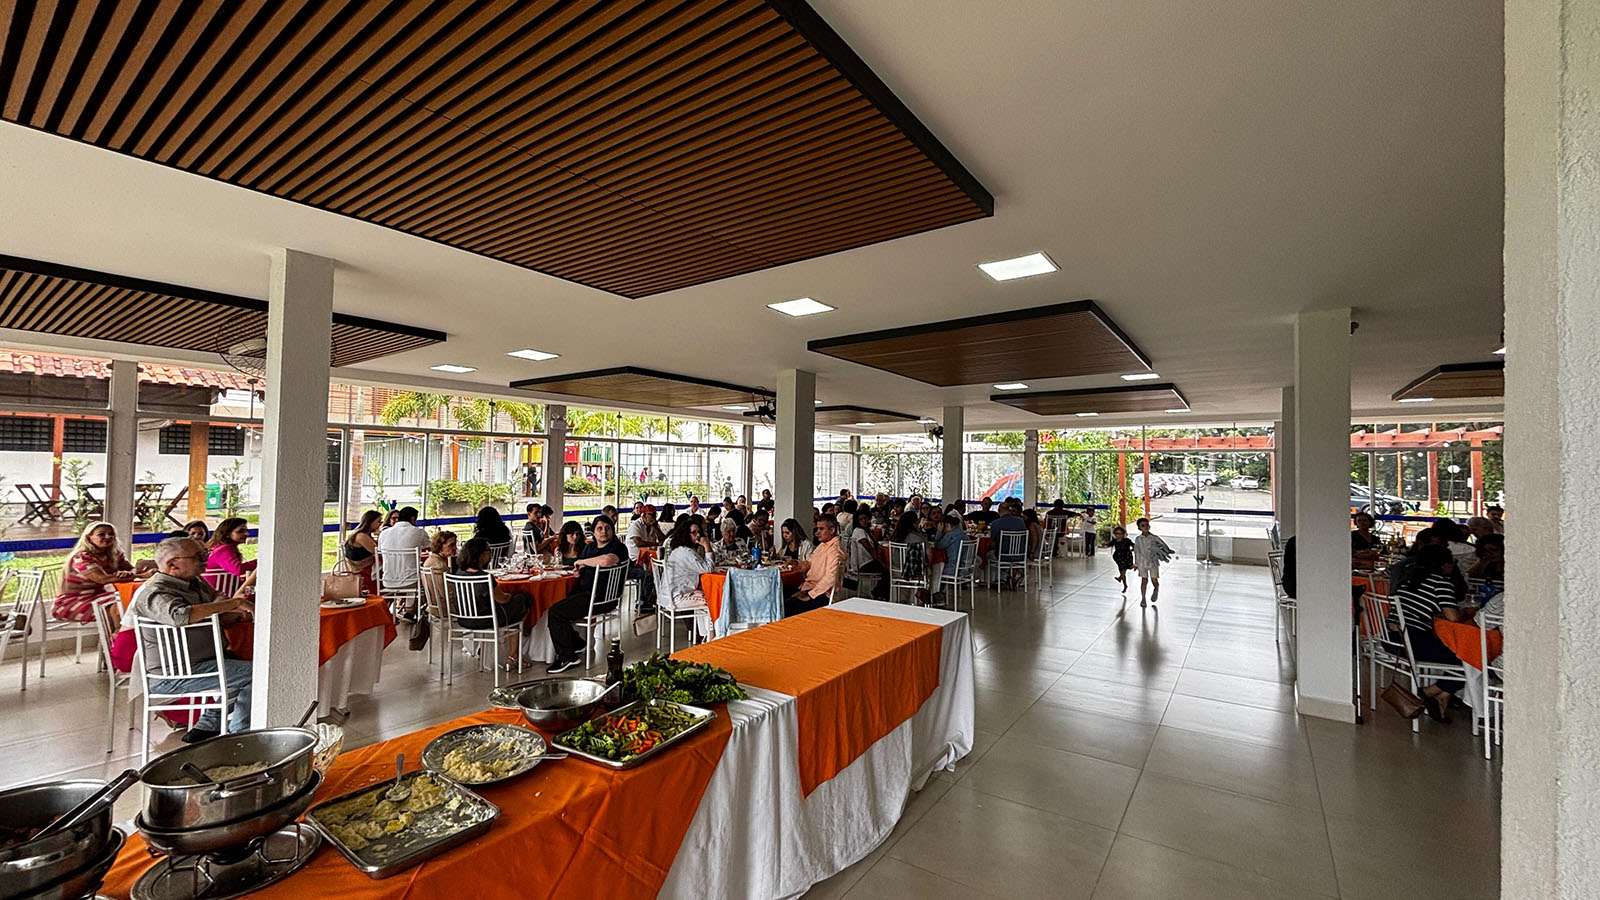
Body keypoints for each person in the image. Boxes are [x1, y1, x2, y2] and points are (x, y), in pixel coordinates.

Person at [125, 537, 255, 742]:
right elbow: (180, 616)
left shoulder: (193, 583)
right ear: (172, 564)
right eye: (198, 556)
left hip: (206, 662)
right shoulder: (156, 592)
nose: (205, 560)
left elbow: (214, 612)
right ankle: (239, 738)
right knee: (256, 674)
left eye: (205, 554)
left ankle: (209, 725)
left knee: (247, 665)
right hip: (173, 674)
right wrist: (229, 604)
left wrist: (232, 610)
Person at [1392, 543, 1474, 721]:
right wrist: (1469, 612)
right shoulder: (1440, 582)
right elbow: (1453, 618)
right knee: (1470, 657)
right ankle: (1431, 691)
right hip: (1413, 641)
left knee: (1463, 655)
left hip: (1392, 639)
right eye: (1452, 561)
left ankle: (1443, 695)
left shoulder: (1408, 579)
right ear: (1444, 564)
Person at [546, 517, 628, 673]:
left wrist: (582, 562)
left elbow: (606, 561)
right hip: (586, 593)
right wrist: (578, 571)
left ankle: (567, 656)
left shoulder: (618, 547)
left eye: (607, 528)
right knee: (556, 601)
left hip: (602, 598)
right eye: (600, 528)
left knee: (556, 612)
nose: (604, 532)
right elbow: (583, 567)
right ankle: (577, 643)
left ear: (612, 531)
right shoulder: (590, 548)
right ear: (594, 532)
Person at [453, 537, 529, 664]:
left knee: (515, 607)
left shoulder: (459, 573)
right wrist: (510, 595)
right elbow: (503, 599)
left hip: (464, 619)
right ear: (480, 555)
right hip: (486, 620)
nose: (491, 554)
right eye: (489, 551)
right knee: (523, 600)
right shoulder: (485, 577)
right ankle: (513, 656)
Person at [53, 521, 149, 622]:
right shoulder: (82, 557)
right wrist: (141, 576)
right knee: (120, 604)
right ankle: (118, 631)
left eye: (111, 534)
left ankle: (126, 630)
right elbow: (103, 579)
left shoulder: (114, 553)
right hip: (71, 603)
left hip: (98, 596)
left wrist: (129, 573)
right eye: (101, 534)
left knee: (130, 599)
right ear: (89, 537)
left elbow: (131, 569)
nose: (108, 537)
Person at [662, 517, 712, 637]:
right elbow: (708, 568)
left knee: (703, 595)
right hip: (677, 597)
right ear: (686, 534)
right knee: (712, 600)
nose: (698, 535)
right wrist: (707, 546)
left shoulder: (680, 550)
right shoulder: (686, 553)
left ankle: (704, 634)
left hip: (668, 594)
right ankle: (711, 636)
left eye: (699, 532)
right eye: (694, 532)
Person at [785, 517, 844, 616]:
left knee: (786, 605)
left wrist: (810, 594)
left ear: (832, 530)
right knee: (781, 594)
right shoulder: (822, 545)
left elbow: (831, 578)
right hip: (810, 588)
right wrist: (796, 563)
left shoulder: (835, 550)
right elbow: (809, 563)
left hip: (823, 595)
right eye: (817, 529)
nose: (817, 533)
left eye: (821, 529)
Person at [378, 506, 431, 613]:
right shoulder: (418, 532)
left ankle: (407, 607)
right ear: (413, 519)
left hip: (387, 580)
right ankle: (410, 607)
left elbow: (379, 550)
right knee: (428, 580)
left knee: (411, 577)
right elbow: (430, 546)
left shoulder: (384, 533)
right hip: (411, 581)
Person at [412, 530, 457, 651]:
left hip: (434, 609)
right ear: (440, 546)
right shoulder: (439, 566)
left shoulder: (430, 560)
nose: (455, 548)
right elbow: (447, 594)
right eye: (451, 545)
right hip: (445, 611)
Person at [625, 505, 663, 612]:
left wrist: (656, 528)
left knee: (660, 571)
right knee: (647, 573)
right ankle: (642, 601)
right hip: (634, 559)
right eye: (651, 515)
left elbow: (663, 540)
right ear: (644, 515)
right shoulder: (635, 525)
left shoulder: (654, 525)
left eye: (655, 515)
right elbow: (638, 543)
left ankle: (654, 599)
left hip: (649, 558)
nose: (653, 517)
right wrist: (656, 544)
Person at [847, 507, 888, 599]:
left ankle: (878, 592)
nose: (864, 521)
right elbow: (869, 548)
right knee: (887, 571)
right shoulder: (859, 532)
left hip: (866, 562)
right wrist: (879, 561)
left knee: (886, 571)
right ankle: (878, 592)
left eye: (865, 518)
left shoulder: (865, 531)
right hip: (864, 564)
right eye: (861, 519)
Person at [888, 510, 929, 602]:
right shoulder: (919, 538)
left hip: (896, 571)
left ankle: (903, 600)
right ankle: (921, 599)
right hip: (913, 572)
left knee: (906, 570)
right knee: (928, 570)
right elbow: (929, 555)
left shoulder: (895, 536)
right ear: (914, 523)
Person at [1132, 517, 1173, 607]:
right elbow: (1137, 551)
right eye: (1143, 526)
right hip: (1142, 562)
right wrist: (1136, 564)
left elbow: (1163, 545)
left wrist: (1166, 551)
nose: (1145, 527)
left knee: (1154, 580)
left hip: (1153, 562)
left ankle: (1156, 589)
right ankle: (1143, 598)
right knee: (1144, 580)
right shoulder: (1138, 539)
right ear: (1139, 528)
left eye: (1147, 525)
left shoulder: (1154, 538)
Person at [987, 500, 1028, 588]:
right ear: (1009, 510)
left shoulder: (996, 523)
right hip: (1020, 555)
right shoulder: (1021, 521)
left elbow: (992, 543)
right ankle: (1008, 576)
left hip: (1003, 556)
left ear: (999, 511)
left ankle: (999, 578)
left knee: (988, 554)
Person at [344, 510, 381, 595]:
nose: (380, 524)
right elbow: (377, 552)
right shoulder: (361, 536)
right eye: (378, 521)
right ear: (370, 522)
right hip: (362, 571)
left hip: (361, 568)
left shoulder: (362, 534)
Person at [1110, 525, 1135, 593]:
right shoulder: (1114, 541)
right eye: (1117, 534)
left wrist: (1134, 548)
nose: (1119, 535)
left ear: (1124, 534)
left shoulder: (1127, 540)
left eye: (1121, 534)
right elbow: (1109, 544)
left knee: (1124, 570)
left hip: (1127, 557)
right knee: (1122, 570)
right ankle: (1124, 584)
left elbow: (1133, 545)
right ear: (1115, 534)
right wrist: (1104, 544)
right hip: (1119, 558)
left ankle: (1121, 578)